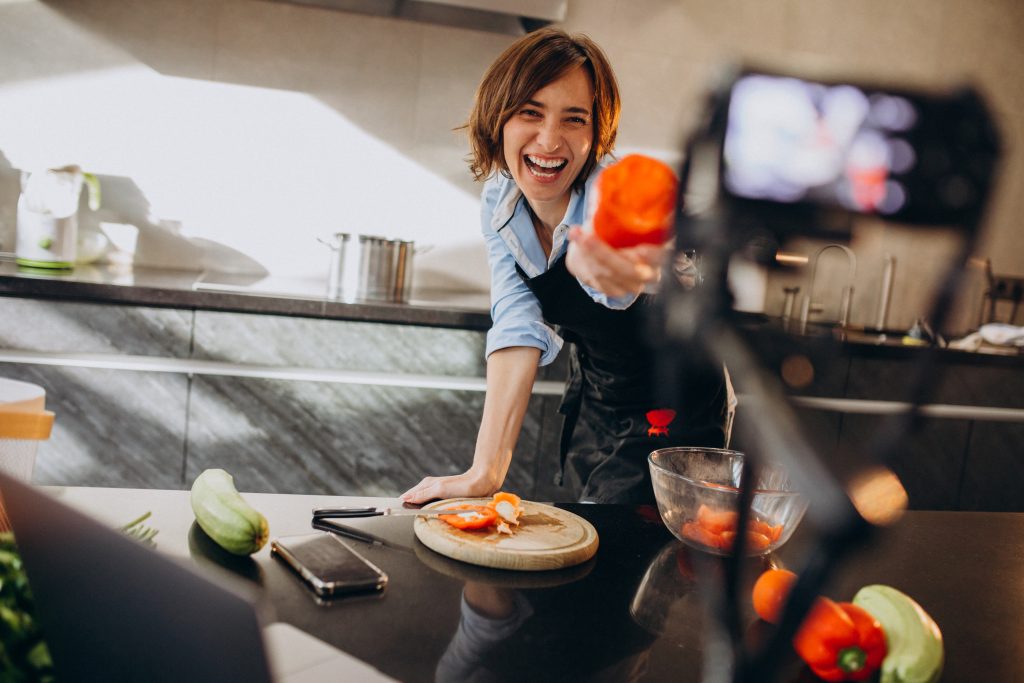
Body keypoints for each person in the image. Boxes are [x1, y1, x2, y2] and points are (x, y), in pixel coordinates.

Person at [402, 28, 731, 505]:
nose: (550, 140)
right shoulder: (500, 203)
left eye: (574, 119)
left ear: (595, 135)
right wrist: (484, 473)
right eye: (530, 112)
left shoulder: (615, 198)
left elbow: (633, 268)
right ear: (498, 118)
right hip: (598, 403)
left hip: (677, 415)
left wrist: (624, 268)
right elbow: (516, 324)